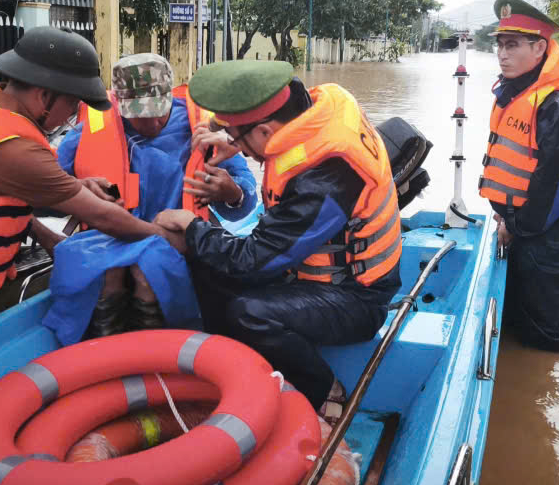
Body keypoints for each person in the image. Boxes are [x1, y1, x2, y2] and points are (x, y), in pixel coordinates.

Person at [0, 26, 182, 356]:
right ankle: (112, 357)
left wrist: (64, 211)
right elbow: (103, 217)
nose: (72, 115)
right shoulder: (15, 150)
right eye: (71, 104)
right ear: (44, 95)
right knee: (91, 280)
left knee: (76, 268)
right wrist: (162, 235)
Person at [154, 60, 402, 418]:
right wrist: (235, 141)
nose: (238, 146)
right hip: (307, 271)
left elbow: (253, 261)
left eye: (240, 137)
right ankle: (230, 370)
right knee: (205, 263)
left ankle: (322, 390)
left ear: (266, 131)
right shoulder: (321, 106)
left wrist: (192, 226)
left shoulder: (329, 174)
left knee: (248, 312)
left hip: (355, 298)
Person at [55, 53, 257, 335]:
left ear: (168, 96)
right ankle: (107, 352)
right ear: (121, 105)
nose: (150, 124)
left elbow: (247, 203)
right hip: (114, 235)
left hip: (176, 238)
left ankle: (159, 350)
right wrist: (79, 189)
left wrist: (231, 192)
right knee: (106, 274)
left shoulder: (205, 130)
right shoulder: (89, 131)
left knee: (148, 271)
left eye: (157, 112)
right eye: (138, 117)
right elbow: (48, 187)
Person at [478, 0, 559, 352]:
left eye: (512, 45)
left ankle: (541, 393)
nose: (502, 54)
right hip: (522, 226)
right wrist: (506, 217)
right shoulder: (515, 93)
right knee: (515, 320)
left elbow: (557, 189)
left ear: (540, 48)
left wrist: (515, 227)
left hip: (548, 236)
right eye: (500, 44)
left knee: (541, 335)